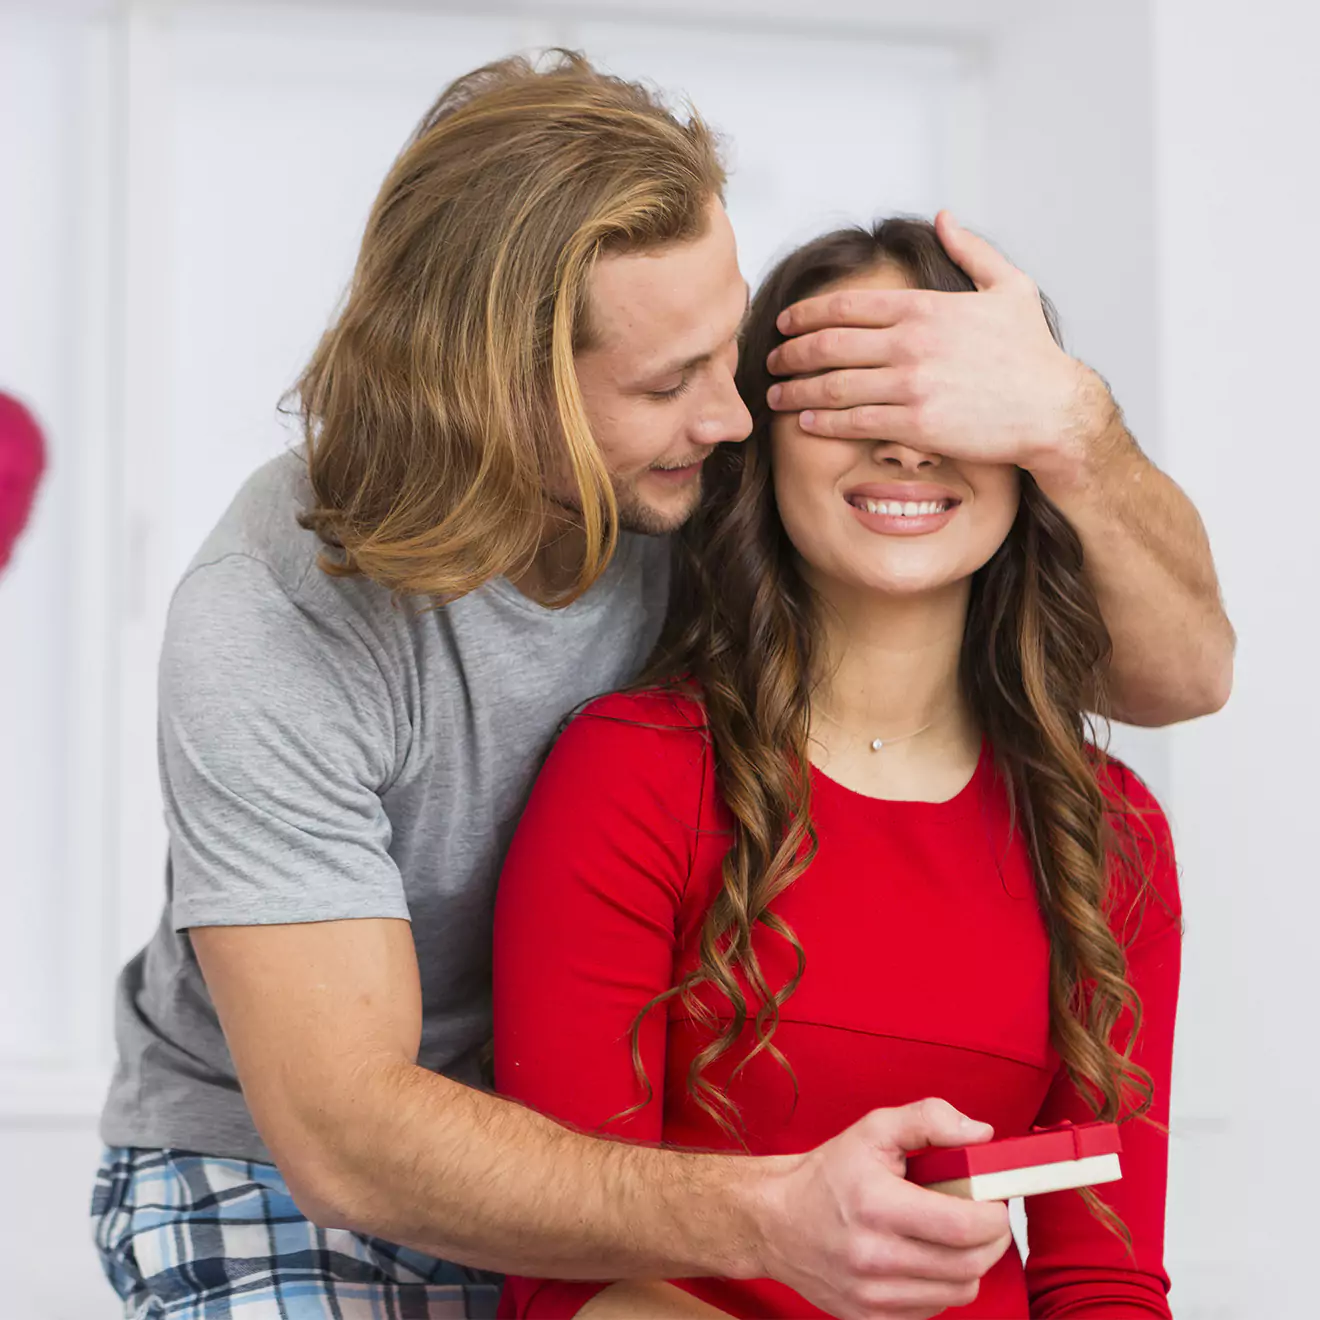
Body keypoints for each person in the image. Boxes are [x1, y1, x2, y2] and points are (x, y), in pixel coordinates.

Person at [90, 52, 1224, 1320]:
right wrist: (776, 1215)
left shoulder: (691, 485)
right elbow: (350, 1136)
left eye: (726, 355)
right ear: (506, 397)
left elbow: (1181, 668)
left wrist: (1066, 418)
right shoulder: (274, 618)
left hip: (580, 1158)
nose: (731, 417)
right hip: (291, 1177)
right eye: (670, 382)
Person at [493, 219, 1182, 1319]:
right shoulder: (632, 776)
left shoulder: (1111, 829)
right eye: (852, 397)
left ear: (1033, 457)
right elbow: (567, 1272)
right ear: (757, 441)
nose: (907, 445)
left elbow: (1099, 1272)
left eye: (955, 403)